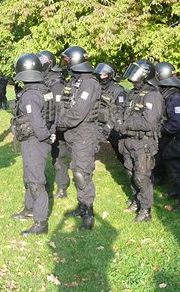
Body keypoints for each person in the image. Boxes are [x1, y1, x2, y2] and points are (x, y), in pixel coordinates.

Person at [10, 53, 55, 236]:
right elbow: (54, 114)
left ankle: (40, 223)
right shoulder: (46, 89)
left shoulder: (30, 95)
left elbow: (36, 122)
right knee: (29, 177)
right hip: (39, 140)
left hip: (34, 141)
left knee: (36, 182)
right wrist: (50, 134)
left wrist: (45, 136)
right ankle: (29, 209)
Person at [58, 46, 101, 230]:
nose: (65, 64)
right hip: (73, 133)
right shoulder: (73, 81)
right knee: (75, 168)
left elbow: (78, 113)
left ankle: (89, 212)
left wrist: (58, 123)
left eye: (67, 61)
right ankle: (81, 206)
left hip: (84, 132)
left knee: (82, 173)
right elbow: (64, 105)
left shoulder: (89, 83)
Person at [116, 60, 163, 222]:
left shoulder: (153, 95)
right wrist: (118, 122)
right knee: (130, 172)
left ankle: (145, 209)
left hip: (143, 143)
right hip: (128, 141)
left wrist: (125, 126)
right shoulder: (133, 93)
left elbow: (149, 122)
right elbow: (124, 112)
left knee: (141, 176)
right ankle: (137, 201)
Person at [153, 62, 180, 212]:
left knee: (177, 172)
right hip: (167, 140)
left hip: (175, 141)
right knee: (170, 169)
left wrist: (157, 129)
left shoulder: (174, 97)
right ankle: (176, 191)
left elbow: (176, 124)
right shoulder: (165, 92)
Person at [36, 50, 69, 199]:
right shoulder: (45, 81)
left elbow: (58, 109)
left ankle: (62, 188)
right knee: (42, 156)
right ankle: (44, 183)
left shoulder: (56, 83)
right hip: (47, 125)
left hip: (57, 127)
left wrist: (53, 130)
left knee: (58, 158)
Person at [93, 62, 126, 163]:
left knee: (122, 152)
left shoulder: (118, 90)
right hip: (98, 124)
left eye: (104, 74)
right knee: (90, 149)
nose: (101, 77)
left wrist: (111, 125)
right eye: (100, 74)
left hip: (113, 125)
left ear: (110, 75)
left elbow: (121, 109)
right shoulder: (97, 87)